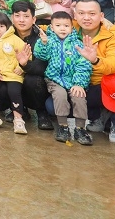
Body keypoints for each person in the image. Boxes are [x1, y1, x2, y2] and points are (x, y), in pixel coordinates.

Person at [72, 0, 115, 143]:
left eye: (92, 13)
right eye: (81, 13)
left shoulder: (112, 34)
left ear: (101, 16)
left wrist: (95, 61)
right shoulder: (68, 28)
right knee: (52, 105)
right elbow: (42, 27)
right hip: (78, 84)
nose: (86, 18)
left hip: (102, 84)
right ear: (75, 15)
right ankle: (97, 116)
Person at [34, 11, 93, 145]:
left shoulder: (78, 44)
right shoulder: (49, 41)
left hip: (73, 80)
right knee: (60, 95)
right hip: (54, 79)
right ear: (52, 27)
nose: (62, 28)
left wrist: (78, 83)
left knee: (79, 96)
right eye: (58, 25)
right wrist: (43, 43)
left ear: (72, 27)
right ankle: (63, 126)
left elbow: (83, 64)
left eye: (66, 26)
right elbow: (41, 55)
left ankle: (80, 128)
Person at [6, 0, 50, 129]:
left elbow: (43, 67)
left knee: (33, 80)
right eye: (17, 16)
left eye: (26, 16)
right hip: (11, 74)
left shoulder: (42, 37)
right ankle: (20, 109)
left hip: (35, 77)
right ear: (12, 17)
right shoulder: (5, 35)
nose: (21, 20)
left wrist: (25, 66)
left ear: (33, 19)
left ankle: (41, 111)